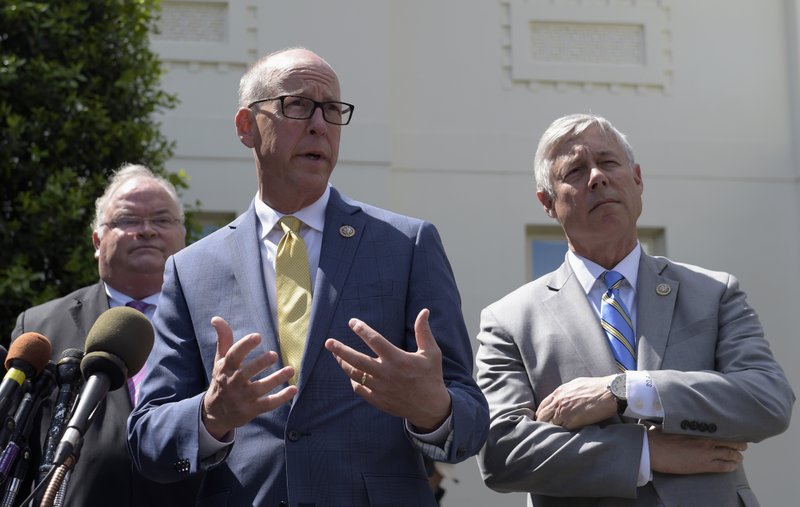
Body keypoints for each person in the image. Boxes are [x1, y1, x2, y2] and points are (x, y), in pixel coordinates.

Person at [127, 47, 488, 506]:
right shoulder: (191, 268)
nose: (320, 123)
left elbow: (471, 420)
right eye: (297, 105)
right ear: (245, 127)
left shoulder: (407, 246)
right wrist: (211, 414)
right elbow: (146, 438)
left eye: (332, 110)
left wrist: (434, 410)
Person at [475, 113, 795, 506]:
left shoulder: (714, 292)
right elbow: (501, 453)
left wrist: (624, 392)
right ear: (547, 202)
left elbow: (768, 401)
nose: (597, 177)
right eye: (575, 170)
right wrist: (644, 453)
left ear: (638, 179)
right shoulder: (508, 320)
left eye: (609, 163)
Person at [11, 163, 196, 505]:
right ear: (97, 241)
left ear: (184, 237)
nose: (147, 231)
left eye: (162, 220)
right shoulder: (40, 327)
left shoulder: (212, 321)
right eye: (128, 220)